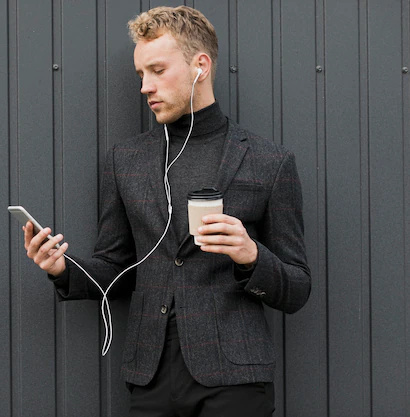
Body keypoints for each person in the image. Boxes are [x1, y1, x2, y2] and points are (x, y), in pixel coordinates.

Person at [23, 5, 311, 417]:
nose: (145, 86)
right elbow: (115, 268)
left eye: (157, 70)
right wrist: (60, 268)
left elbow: (298, 288)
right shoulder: (125, 160)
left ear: (201, 65)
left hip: (236, 380)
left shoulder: (270, 161)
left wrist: (251, 255)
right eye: (141, 74)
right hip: (150, 376)